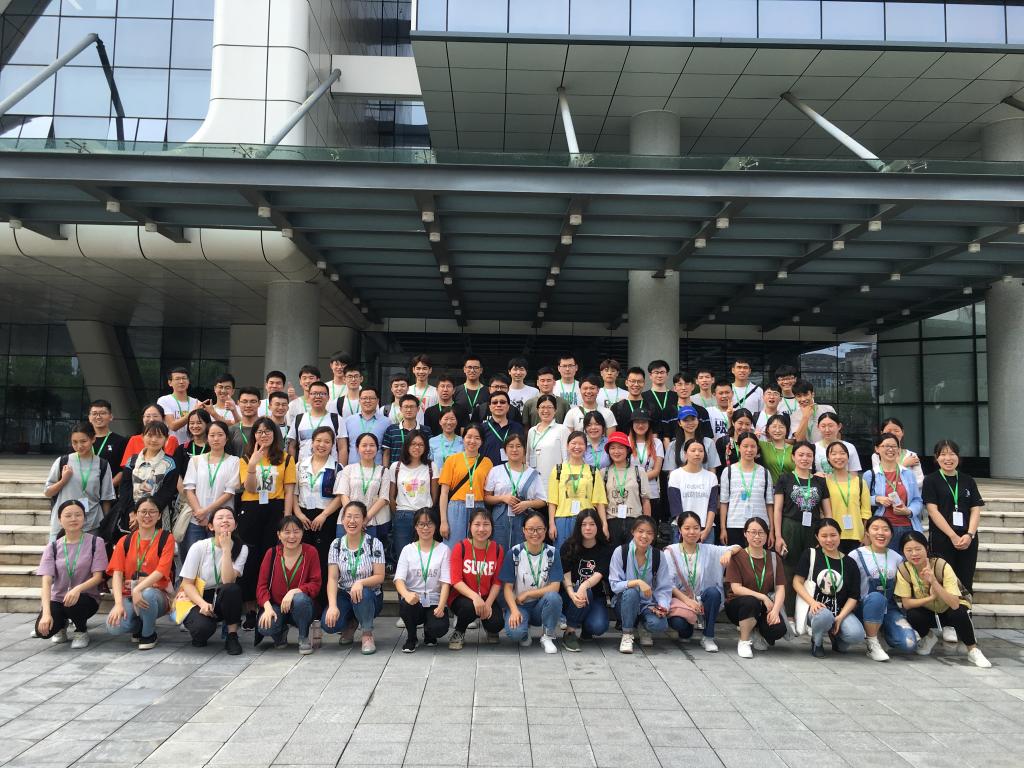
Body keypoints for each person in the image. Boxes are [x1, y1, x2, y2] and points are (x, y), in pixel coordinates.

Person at [895, 531, 991, 668]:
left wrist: (934, 582)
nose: (914, 554)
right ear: (903, 552)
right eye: (909, 550)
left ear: (926, 548)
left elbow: (954, 603)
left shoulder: (941, 565)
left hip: (949, 608)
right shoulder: (904, 570)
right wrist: (931, 598)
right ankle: (928, 637)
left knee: (959, 613)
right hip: (928, 610)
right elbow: (907, 604)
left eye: (918, 549)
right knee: (912, 615)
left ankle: (973, 650)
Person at [238, 418, 296, 628]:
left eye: (268, 431)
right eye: (259, 431)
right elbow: (250, 488)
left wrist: (287, 519)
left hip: (275, 510)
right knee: (250, 560)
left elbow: (289, 490)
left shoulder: (286, 459)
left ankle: (269, 605)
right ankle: (250, 609)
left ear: (275, 434)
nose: (263, 435)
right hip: (251, 509)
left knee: (271, 558)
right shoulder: (246, 458)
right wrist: (253, 465)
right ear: (254, 435)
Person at [34, 500, 108, 648]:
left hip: (85, 598)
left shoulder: (96, 542)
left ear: (84, 518)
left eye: (78, 515)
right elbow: (46, 582)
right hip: (58, 598)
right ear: (59, 519)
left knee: (74, 602)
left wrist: (77, 589)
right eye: (68, 515)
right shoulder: (53, 547)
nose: (73, 519)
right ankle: (61, 625)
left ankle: (81, 630)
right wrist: (46, 613)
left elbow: (98, 577)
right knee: (43, 632)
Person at [105, 496, 175, 650]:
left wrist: (137, 588)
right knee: (114, 626)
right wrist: (118, 604)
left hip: (157, 594)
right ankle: (140, 625)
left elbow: (161, 571)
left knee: (147, 594)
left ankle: (148, 634)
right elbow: (117, 574)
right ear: (135, 515)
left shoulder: (166, 538)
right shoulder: (125, 541)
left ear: (159, 515)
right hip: (129, 594)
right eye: (143, 512)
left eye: (152, 512)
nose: (147, 516)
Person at [665, 511, 740, 652]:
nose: (692, 532)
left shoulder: (708, 549)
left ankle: (708, 636)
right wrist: (688, 601)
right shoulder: (671, 552)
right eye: (687, 528)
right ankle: (687, 631)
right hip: (681, 600)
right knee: (679, 624)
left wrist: (729, 552)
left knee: (714, 593)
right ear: (679, 530)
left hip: (702, 600)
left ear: (701, 529)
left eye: (696, 528)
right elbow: (669, 584)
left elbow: (738, 547)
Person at [791, 518, 865, 658]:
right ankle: (817, 641)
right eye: (824, 536)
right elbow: (797, 582)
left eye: (833, 535)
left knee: (856, 635)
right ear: (817, 537)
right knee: (824, 615)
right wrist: (812, 602)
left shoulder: (850, 563)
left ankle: (837, 640)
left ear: (840, 535)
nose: (829, 540)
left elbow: (854, 596)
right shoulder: (810, 554)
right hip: (815, 610)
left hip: (839, 611)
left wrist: (840, 617)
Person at [773, 440, 832, 610]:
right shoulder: (785, 478)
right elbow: (777, 509)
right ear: (793, 457)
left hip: (814, 529)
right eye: (801, 455)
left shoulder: (820, 481)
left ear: (813, 458)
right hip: (790, 527)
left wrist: (826, 535)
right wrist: (778, 536)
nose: (805, 458)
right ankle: (789, 611)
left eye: (809, 455)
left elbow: (828, 512)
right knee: (788, 568)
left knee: (812, 567)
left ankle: (810, 609)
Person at [179, 507, 247, 654]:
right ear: (210, 526)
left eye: (229, 517)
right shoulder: (199, 547)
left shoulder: (241, 548)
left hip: (222, 596)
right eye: (220, 518)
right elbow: (187, 584)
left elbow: (228, 580)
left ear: (235, 525)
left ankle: (232, 636)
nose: (225, 520)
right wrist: (202, 604)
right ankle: (199, 632)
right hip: (198, 596)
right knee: (202, 629)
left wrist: (226, 549)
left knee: (232, 589)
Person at [322, 501, 386, 654]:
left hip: (369, 596)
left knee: (363, 593)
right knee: (328, 624)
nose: (352, 521)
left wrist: (360, 583)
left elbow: (380, 576)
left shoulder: (373, 543)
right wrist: (332, 605)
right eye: (348, 516)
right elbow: (332, 578)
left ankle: (367, 634)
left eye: (357, 517)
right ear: (342, 519)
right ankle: (351, 623)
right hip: (345, 594)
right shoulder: (336, 545)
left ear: (364, 520)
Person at [853, 516, 917, 661]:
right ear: (867, 533)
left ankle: (882, 631)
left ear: (891, 534)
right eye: (875, 529)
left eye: (885, 529)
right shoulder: (856, 555)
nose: (880, 533)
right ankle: (872, 642)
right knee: (876, 598)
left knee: (908, 644)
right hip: (863, 606)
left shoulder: (897, 558)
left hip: (889, 608)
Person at [256, 515, 321, 654]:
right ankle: (280, 633)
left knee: (300, 599)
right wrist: (267, 608)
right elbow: (261, 586)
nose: (292, 536)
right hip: (277, 605)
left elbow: (315, 584)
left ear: (302, 533)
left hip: (301, 606)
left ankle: (303, 637)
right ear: (279, 535)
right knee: (265, 627)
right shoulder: (271, 553)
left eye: (296, 531)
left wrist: (294, 591)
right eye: (287, 532)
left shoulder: (310, 552)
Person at [501, 510, 563, 653]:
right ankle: (524, 632)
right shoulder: (514, 553)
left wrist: (529, 593)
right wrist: (514, 610)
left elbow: (555, 587)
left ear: (545, 530)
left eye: (539, 529)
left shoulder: (552, 553)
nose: (535, 533)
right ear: (523, 530)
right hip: (520, 605)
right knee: (515, 633)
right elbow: (507, 588)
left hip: (542, 605)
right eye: (530, 529)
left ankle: (547, 636)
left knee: (554, 597)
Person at [724, 517, 787, 658]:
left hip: (765, 606)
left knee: (778, 629)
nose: (757, 536)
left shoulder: (773, 557)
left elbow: (780, 588)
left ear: (767, 535)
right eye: (752, 532)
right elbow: (736, 588)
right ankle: (744, 641)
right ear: (745, 534)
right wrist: (762, 597)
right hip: (739, 605)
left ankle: (757, 631)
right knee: (751, 602)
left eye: (761, 532)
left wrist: (775, 610)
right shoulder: (737, 556)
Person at [294, 426, 344, 604]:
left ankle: (322, 602)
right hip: (303, 517)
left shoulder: (337, 468)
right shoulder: (300, 466)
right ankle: (302, 599)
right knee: (303, 558)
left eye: (327, 442)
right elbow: (294, 493)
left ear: (332, 445)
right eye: (318, 441)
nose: (322, 445)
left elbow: (340, 496)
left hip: (326, 517)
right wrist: (298, 514)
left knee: (323, 559)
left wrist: (324, 515)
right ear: (312, 443)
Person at [609, 515, 672, 653]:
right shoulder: (621, 552)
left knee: (660, 625)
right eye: (640, 531)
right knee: (631, 592)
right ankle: (627, 634)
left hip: (647, 605)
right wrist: (637, 582)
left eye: (649, 533)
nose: (644, 536)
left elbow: (664, 587)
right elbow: (614, 585)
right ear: (633, 532)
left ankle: (643, 626)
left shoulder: (658, 556)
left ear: (654, 536)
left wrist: (662, 606)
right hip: (624, 602)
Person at [44, 421, 115, 541]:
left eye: (83, 441)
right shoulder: (63, 461)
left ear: (93, 439)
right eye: (75, 442)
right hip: (63, 524)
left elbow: (106, 498)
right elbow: (48, 492)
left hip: (92, 523)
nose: (79, 446)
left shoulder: (102, 464)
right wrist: (63, 480)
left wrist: (106, 526)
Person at [394, 509, 451, 652]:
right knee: (406, 605)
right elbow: (399, 579)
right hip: (414, 600)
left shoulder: (444, 550)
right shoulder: (407, 550)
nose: (425, 528)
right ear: (415, 526)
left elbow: (446, 582)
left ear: (436, 526)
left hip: (434, 601)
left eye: (429, 523)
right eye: (421, 524)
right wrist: (406, 594)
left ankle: (429, 633)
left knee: (439, 628)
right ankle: (411, 638)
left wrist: (441, 606)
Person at [448, 507, 505, 649]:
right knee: (469, 608)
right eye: (477, 524)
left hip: (486, 596)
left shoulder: (498, 549)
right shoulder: (460, 547)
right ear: (470, 526)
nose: (481, 529)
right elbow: (456, 581)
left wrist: (488, 604)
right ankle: (459, 631)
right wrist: (475, 597)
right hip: (462, 597)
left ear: (491, 527)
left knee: (497, 624)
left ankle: (489, 628)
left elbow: (497, 582)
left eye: (486, 525)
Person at [182, 420, 240, 555]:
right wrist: (199, 512)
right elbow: (189, 489)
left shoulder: (234, 461)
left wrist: (206, 512)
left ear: (226, 438)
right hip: (196, 520)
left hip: (221, 521)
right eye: (212, 435)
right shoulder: (196, 460)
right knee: (195, 557)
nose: (216, 439)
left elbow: (229, 492)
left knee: (219, 557)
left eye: (220, 435)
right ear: (207, 438)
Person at [559, 509, 612, 651]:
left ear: (598, 526)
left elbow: (599, 574)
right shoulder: (568, 546)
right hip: (570, 596)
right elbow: (565, 574)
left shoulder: (605, 548)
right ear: (578, 527)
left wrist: (583, 586)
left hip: (595, 596)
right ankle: (570, 632)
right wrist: (572, 593)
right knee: (584, 592)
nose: (588, 528)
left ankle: (586, 627)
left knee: (598, 626)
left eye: (592, 524)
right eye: (584, 524)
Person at [484, 433, 546, 551]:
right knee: (499, 552)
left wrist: (527, 504)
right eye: (511, 446)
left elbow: (543, 501)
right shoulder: (496, 471)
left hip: (524, 519)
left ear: (524, 450)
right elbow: (486, 498)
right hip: (499, 519)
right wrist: (502, 498)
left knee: (522, 553)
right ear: (505, 450)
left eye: (518, 446)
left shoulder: (533, 474)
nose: (514, 449)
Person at [548, 431, 609, 549]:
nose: (577, 447)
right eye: (573, 443)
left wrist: (604, 524)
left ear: (586, 448)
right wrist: (551, 524)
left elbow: (600, 501)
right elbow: (552, 501)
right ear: (567, 446)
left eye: (581, 444)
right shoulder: (558, 469)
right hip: (563, 519)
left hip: (587, 521)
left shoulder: (593, 471)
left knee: (585, 554)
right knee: (563, 554)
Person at [865, 432, 924, 550]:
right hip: (883, 529)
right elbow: (862, 501)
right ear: (877, 449)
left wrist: (908, 511)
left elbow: (917, 500)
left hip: (908, 526)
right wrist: (877, 499)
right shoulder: (870, 475)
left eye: (894, 446)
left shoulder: (908, 474)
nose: (890, 449)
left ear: (899, 450)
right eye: (886, 446)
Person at [335, 432, 390, 559]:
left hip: (370, 522)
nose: (368, 449)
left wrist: (365, 519)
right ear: (357, 448)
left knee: (368, 559)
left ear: (377, 448)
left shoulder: (383, 471)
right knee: (344, 558)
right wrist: (353, 517)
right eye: (364, 445)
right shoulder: (348, 469)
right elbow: (343, 494)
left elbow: (383, 498)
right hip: (347, 521)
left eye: (372, 445)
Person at [439, 424, 493, 547]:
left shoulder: (487, 463)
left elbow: (488, 492)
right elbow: (444, 493)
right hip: (456, 508)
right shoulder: (452, 460)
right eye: (469, 437)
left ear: (482, 441)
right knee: (453, 547)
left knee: (476, 547)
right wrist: (443, 521)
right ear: (463, 439)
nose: (472, 441)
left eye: (477, 438)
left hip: (478, 507)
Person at [117, 421, 179, 527]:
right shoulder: (132, 460)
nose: (154, 440)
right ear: (143, 437)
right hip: (131, 518)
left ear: (166, 439)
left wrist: (146, 515)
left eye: (159, 436)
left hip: (157, 517)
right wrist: (133, 513)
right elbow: (125, 488)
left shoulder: (170, 464)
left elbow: (167, 492)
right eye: (150, 435)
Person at [718, 432, 773, 547]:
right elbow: (723, 502)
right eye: (745, 446)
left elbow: (769, 503)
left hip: (760, 526)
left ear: (757, 448)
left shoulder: (764, 472)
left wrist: (772, 530)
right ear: (739, 447)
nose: (749, 450)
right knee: (737, 557)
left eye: (753, 446)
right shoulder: (728, 471)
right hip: (735, 525)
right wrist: (723, 528)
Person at [386, 431, 432, 563]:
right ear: (407, 445)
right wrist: (398, 513)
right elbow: (391, 496)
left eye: (421, 445)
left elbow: (434, 495)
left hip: (425, 515)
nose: (417, 447)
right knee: (403, 555)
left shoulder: (430, 466)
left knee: (424, 554)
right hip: (402, 515)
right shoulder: (396, 466)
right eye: (413, 444)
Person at [601, 431, 651, 545]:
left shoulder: (639, 471)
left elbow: (645, 500)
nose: (616, 451)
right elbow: (601, 503)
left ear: (627, 450)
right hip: (612, 522)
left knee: (634, 554)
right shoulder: (604, 473)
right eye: (612, 448)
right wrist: (604, 525)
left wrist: (646, 526)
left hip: (635, 521)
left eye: (620, 448)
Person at [666, 439, 719, 543]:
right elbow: (676, 506)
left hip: (705, 529)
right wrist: (685, 529)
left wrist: (707, 529)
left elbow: (712, 506)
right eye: (693, 450)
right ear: (685, 454)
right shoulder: (676, 475)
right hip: (682, 529)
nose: (697, 453)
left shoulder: (711, 477)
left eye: (701, 451)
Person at [824, 442, 871, 554]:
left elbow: (866, 512)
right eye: (834, 454)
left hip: (857, 536)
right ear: (828, 458)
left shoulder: (860, 482)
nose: (838, 457)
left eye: (842, 453)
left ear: (848, 457)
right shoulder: (824, 482)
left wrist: (865, 534)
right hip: (832, 535)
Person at [288, 381, 342, 462]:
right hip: (303, 467)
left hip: (329, 467)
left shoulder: (336, 419)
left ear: (328, 397)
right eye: (314, 393)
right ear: (309, 397)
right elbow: (292, 447)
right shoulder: (299, 419)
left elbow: (342, 448)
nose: (318, 397)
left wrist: (341, 468)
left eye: (322, 394)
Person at [526, 394, 569, 492]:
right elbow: (528, 457)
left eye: (549, 407)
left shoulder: (562, 429)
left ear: (555, 410)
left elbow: (566, 458)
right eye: (542, 407)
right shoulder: (532, 431)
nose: (545, 410)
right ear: (537, 410)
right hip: (534, 480)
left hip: (555, 480)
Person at [663, 406, 719, 473]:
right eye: (685, 420)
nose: (690, 423)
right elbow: (671, 473)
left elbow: (712, 470)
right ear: (679, 423)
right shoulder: (673, 445)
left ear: (697, 420)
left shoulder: (709, 443)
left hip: (705, 479)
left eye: (693, 419)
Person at [869, 417, 925, 486]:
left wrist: (902, 487)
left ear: (902, 432)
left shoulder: (912, 455)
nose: (893, 434)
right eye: (889, 431)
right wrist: (904, 465)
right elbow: (879, 479)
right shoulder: (877, 455)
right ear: (882, 433)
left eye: (896, 431)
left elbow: (920, 481)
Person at [629, 411, 664, 520]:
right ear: (632, 424)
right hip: (630, 492)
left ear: (649, 424)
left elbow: (656, 470)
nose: (640, 425)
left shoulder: (657, 442)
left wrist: (638, 479)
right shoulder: (626, 441)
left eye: (644, 422)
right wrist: (638, 480)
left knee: (650, 526)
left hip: (651, 492)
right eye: (637, 422)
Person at [340, 386, 388, 464]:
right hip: (352, 468)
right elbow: (343, 448)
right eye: (364, 398)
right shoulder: (348, 421)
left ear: (377, 401)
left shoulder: (386, 422)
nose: (368, 401)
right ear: (359, 401)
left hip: (377, 468)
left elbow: (387, 450)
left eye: (371, 398)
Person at [382, 394, 431, 466]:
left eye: (412, 407)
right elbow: (386, 453)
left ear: (418, 409)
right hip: (396, 470)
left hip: (419, 470)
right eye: (406, 407)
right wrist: (386, 470)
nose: (409, 410)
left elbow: (429, 453)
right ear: (401, 409)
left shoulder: (426, 430)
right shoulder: (391, 430)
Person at [87, 399, 127, 487]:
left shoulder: (121, 441)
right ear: (89, 417)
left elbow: (123, 469)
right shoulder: (83, 440)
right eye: (94, 413)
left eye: (103, 413)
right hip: (84, 489)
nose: (98, 417)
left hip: (110, 490)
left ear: (111, 417)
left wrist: (107, 487)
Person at [480, 390, 524, 465]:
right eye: (495, 402)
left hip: (512, 470)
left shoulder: (518, 428)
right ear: (489, 407)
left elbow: (523, 452)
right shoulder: (481, 429)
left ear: (508, 406)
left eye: (502, 402)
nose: (498, 405)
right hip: (488, 470)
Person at [157, 366, 200, 444]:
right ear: (170, 383)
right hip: (171, 446)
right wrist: (193, 412)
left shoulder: (197, 402)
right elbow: (173, 426)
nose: (181, 381)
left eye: (184, 378)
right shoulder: (164, 400)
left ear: (188, 381)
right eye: (177, 379)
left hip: (192, 446)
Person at [641, 360, 677, 445]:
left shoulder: (676, 396)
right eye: (656, 372)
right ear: (650, 375)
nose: (659, 375)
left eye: (662, 372)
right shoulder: (643, 396)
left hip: (673, 440)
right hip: (651, 440)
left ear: (667, 375)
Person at [672, 371, 713, 441]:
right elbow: (666, 438)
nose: (683, 388)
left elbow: (708, 437)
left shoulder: (702, 411)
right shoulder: (668, 411)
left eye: (687, 384)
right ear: (675, 388)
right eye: (680, 384)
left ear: (693, 387)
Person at [758, 414, 794, 485]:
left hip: (789, 488)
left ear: (787, 430)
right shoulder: (762, 445)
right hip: (769, 488)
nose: (777, 430)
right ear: (768, 429)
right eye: (774, 427)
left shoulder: (794, 449)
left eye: (781, 427)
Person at [429, 410, 463, 479]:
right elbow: (430, 462)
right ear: (440, 422)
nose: (449, 422)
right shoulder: (432, 441)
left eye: (452, 419)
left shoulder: (463, 441)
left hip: (458, 480)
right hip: (438, 480)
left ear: (457, 422)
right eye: (446, 419)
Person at [228, 387, 261, 457]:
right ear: (238, 403)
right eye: (244, 401)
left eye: (253, 401)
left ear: (259, 403)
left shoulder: (270, 427)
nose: (248, 405)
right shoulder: (231, 430)